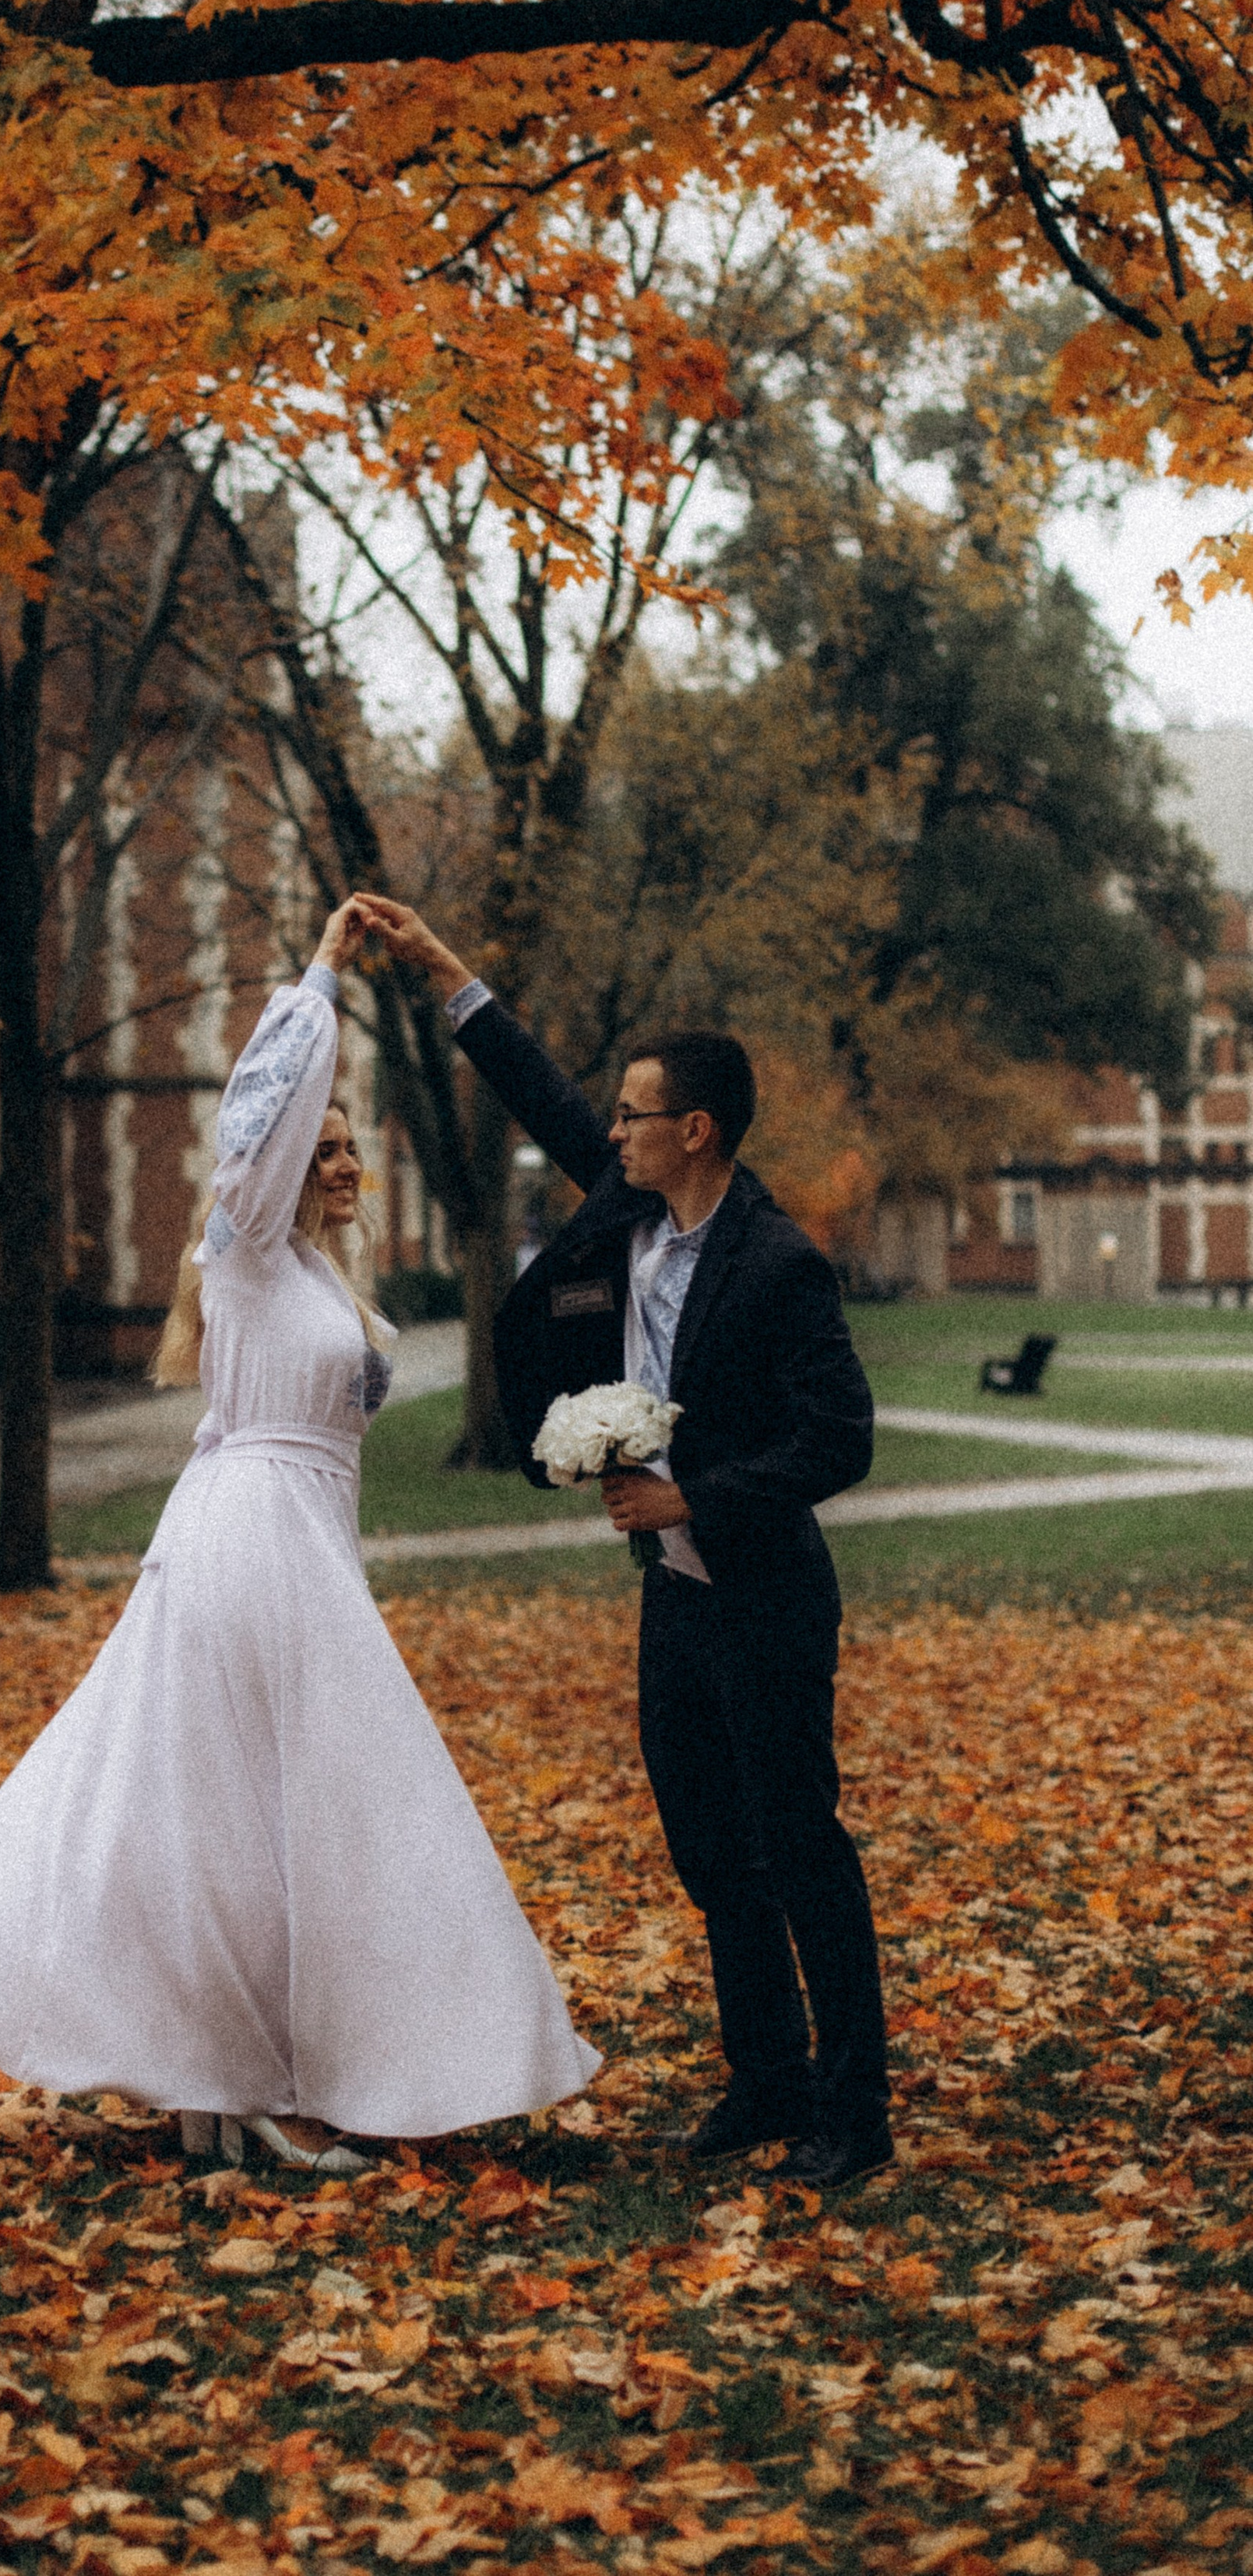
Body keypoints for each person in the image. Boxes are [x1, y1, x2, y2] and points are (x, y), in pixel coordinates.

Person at [0, 899, 600, 2171]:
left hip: (303, 1545)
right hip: (251, 1540)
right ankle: (260, 2083)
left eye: (348, 1144)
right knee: (273, 1819)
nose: (337, 1161)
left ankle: (235, 2084)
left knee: (269, 1822)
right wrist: (320, 976)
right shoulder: (244, 1247)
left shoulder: (317, 1278)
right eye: (316, 1146)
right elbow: (257, 1108)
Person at [357, 897, 889, 2194]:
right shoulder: (626, 1221)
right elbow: (542, 1094)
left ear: (693, 1130)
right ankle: (763, 2083)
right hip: (677, 1608)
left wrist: (695, 1499)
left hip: (764, 1593)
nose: (613, 1131)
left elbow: (843, 1441)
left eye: (636, 1114)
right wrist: (446, 973)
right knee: (712, 1852)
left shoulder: (775, 1263)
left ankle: (851, 2109)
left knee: (800, 1844)